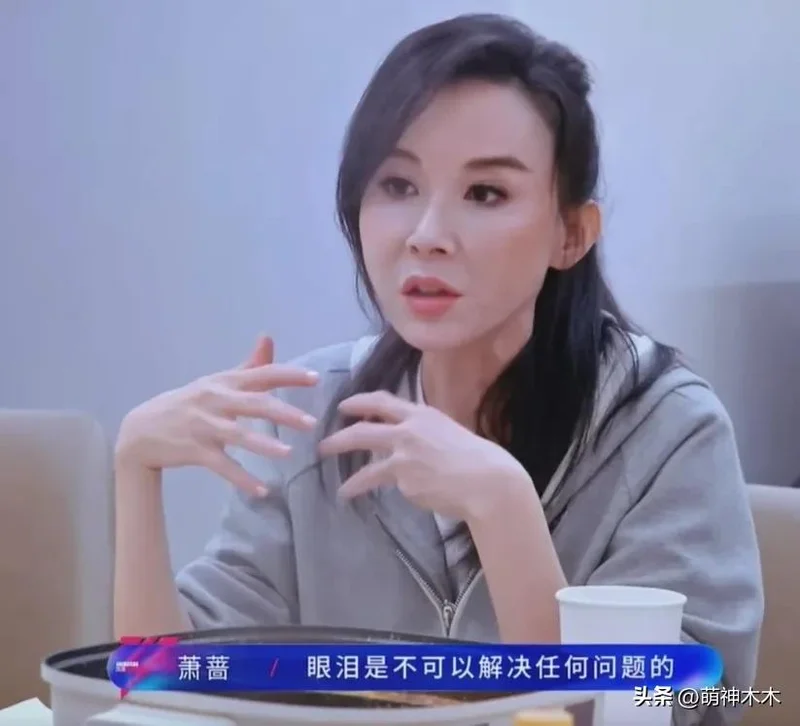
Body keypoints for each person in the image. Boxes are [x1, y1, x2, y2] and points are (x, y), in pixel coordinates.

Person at [113, 13, 763, 725]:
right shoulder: (314, 416)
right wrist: (136, 469)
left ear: (571, 234)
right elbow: (171, 694)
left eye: (486, 194)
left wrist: (504, 509)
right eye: (397, 185)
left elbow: (679, 708)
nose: (427, 236)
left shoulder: (668, 430)